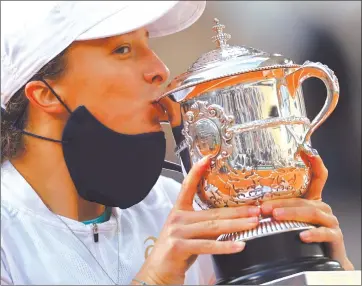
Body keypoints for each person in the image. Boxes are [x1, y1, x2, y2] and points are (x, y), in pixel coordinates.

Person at [0, 1, 354, 285]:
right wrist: (154, 279)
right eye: (123, 49)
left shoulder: (178, 211)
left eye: (147, 43)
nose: (160, 69)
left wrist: (319, 263)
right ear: (44, 94)